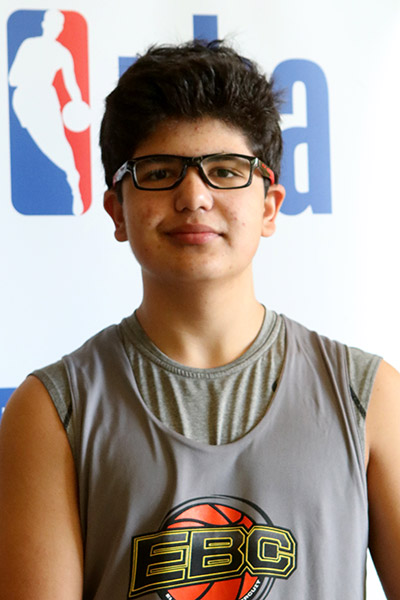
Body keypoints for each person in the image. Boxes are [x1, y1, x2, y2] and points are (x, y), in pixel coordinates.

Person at [0, 40, 399, 600]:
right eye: (160, 171)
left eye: (225, 171)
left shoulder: (369, 397)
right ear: (117, 210)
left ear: (269, 206)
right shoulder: (51, 412)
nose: (193, 196)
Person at [8, 9, 85, 215]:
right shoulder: (29, 45)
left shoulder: (63, 53)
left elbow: (71, 84)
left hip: (46, 100)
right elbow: (12, 78)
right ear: (44, 24)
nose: (55, 28)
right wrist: (32, 75)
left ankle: (73, 180)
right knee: (37, 145)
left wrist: (78, 104)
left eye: (58, 25)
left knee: (57, 142)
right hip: (24, 100)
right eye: (52, 23)